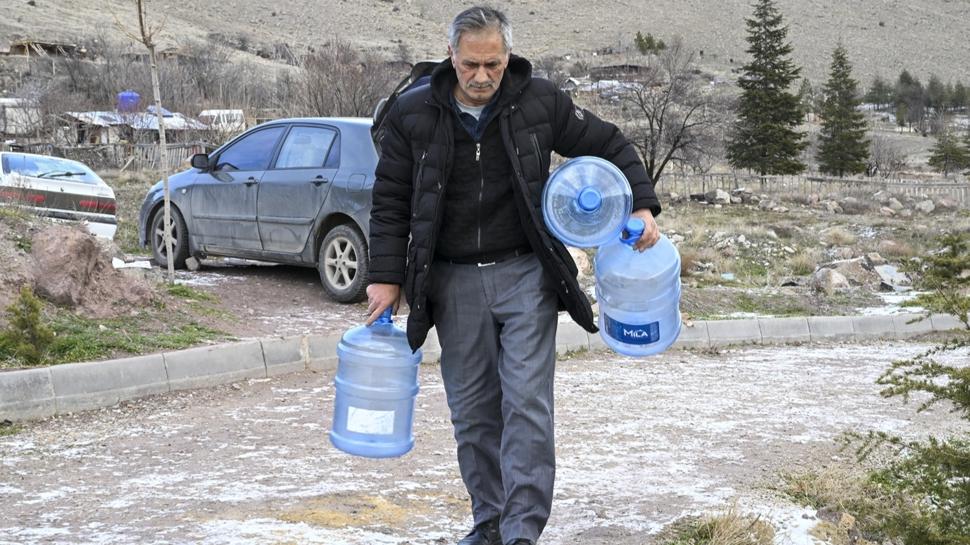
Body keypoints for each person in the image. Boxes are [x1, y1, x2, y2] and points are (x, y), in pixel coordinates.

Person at [365, 6, 661, 544]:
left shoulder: (540, 102)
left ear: (508, 58)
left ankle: (522, 531)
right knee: (473, 411)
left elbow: (611, 144)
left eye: (494, 65)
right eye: (472, 64)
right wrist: (385, 276)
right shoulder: (413, 113)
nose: (482, 77)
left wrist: (641, 204)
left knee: (526, 403)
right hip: (451, 282)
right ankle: (490, 523)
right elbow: (388, 204)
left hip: (526, 274)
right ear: (451, 55)